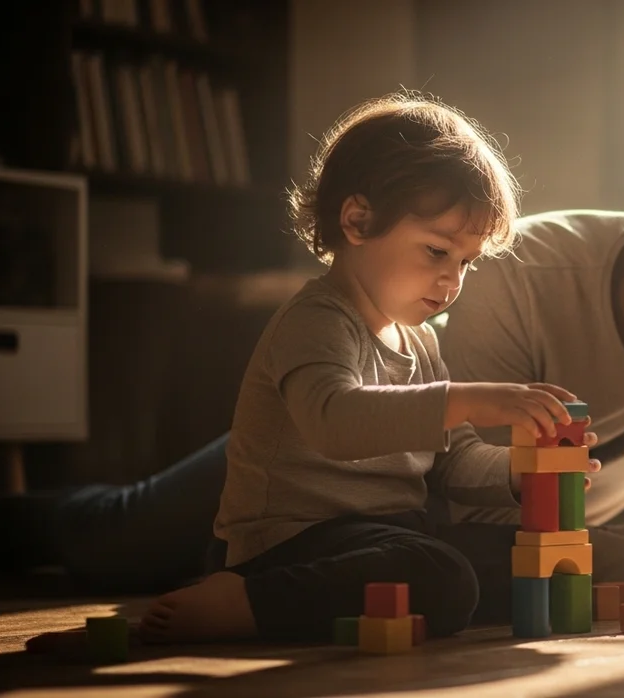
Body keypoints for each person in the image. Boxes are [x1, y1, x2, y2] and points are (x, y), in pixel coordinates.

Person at [4, 85, 624, 617]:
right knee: (109, 539)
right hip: (317, 454)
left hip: (401, 483)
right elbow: (455, 500)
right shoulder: (511, 270)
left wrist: (598, 537)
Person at [137, 92, 599, 644]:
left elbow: (452, 465)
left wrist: (521, 472)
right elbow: (334, 421)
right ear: (357, 221)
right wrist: (471, 398)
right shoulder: (316, 319)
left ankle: (353, 603)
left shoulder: (421, 341)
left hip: (386, 539)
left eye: (466, 263)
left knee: (511, 558)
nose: (453, 281)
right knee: (442, 575)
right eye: (436, 252)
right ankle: (245, 600)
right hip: (291, 542)